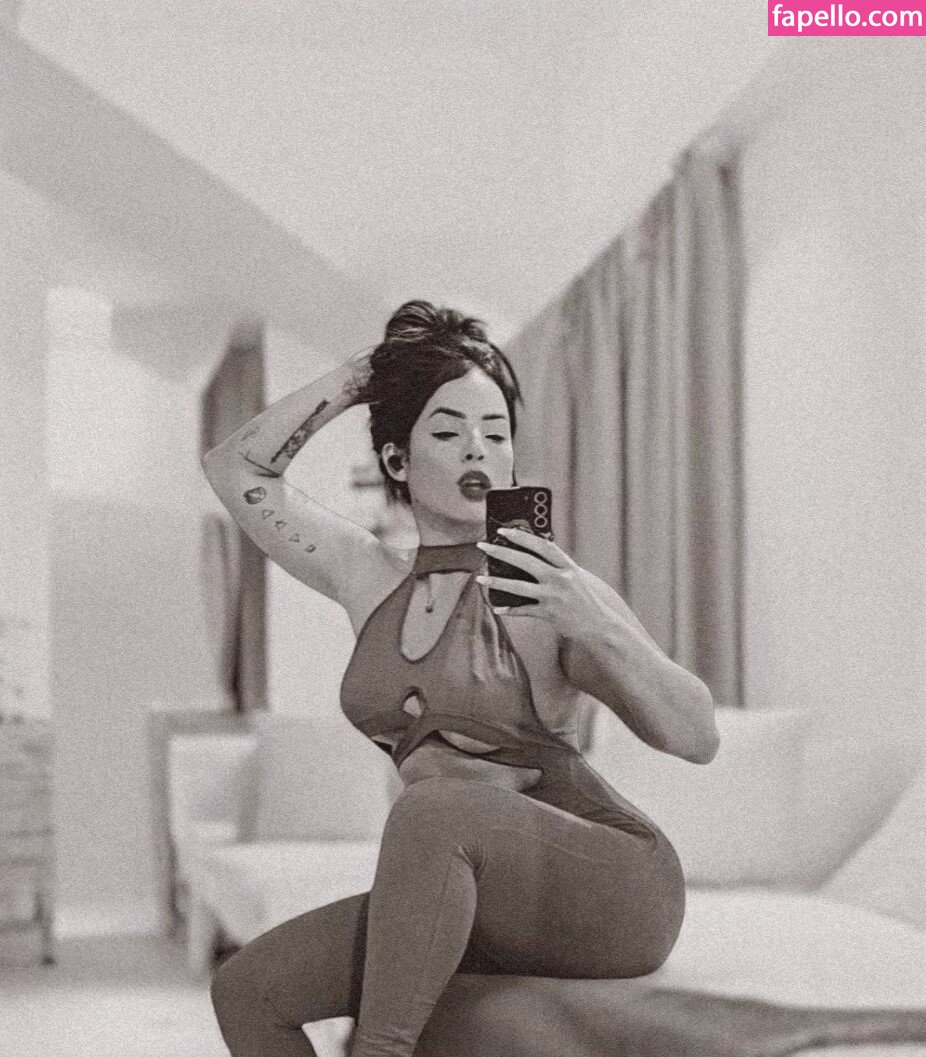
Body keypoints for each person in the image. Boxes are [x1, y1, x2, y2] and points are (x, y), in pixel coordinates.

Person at [203, 300, 719, 1057]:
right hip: (471, 883)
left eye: (496, 433)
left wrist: (598, 624)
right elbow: (235, 467)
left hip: (616, 886)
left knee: (432, 810)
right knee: (249, 990)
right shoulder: (368, 577)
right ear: (398, 463)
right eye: (447, 432)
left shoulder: (549, 591)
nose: (477, 448)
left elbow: (699, 736)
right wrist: (369, 374)